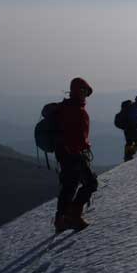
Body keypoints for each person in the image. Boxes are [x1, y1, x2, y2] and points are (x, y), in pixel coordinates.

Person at [54, 77, 98, 232]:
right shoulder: (77, 111)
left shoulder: (64, 107)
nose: (85, 95)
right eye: (84, 91)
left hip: (63, 153)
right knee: (91, 183)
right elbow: (78, 137)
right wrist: (84, 147)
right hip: (74, 154)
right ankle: (74, 215)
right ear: (78, 91)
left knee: (68, 186)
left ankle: (61, 220)